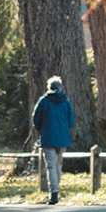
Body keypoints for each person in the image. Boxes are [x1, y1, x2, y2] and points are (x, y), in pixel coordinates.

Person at [32, 76, 74, 205]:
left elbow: (36, 119)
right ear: (60, 87)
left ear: (49, 87)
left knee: (51, 166)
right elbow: (71, 121)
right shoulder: (66, 101)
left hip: (48, 137)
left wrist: (41, 129)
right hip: (62, 138)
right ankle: (56, 190)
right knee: (58, 165)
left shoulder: (44, 101)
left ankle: (54, 193)